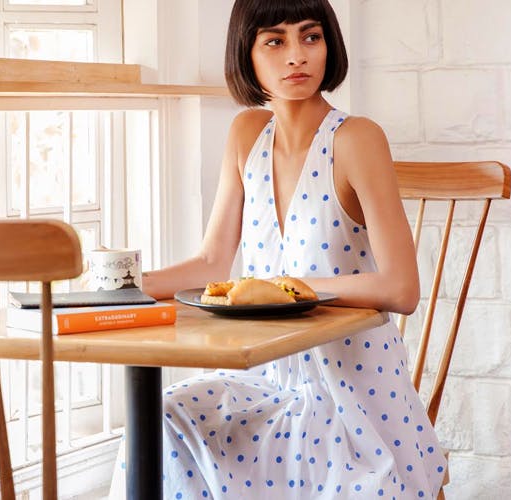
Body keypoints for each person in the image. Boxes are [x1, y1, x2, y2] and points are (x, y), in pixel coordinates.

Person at [111, 0, 447, 497]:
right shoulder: (247, 134)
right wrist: (118, 286)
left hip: (351, 393)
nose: (297, 56)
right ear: (246, 54)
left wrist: (284, 289)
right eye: (275, 41)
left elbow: (402, 289)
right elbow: (211, 263)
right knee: (162, 416)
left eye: (311, 37)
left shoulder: (357, 139)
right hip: (265, 377)